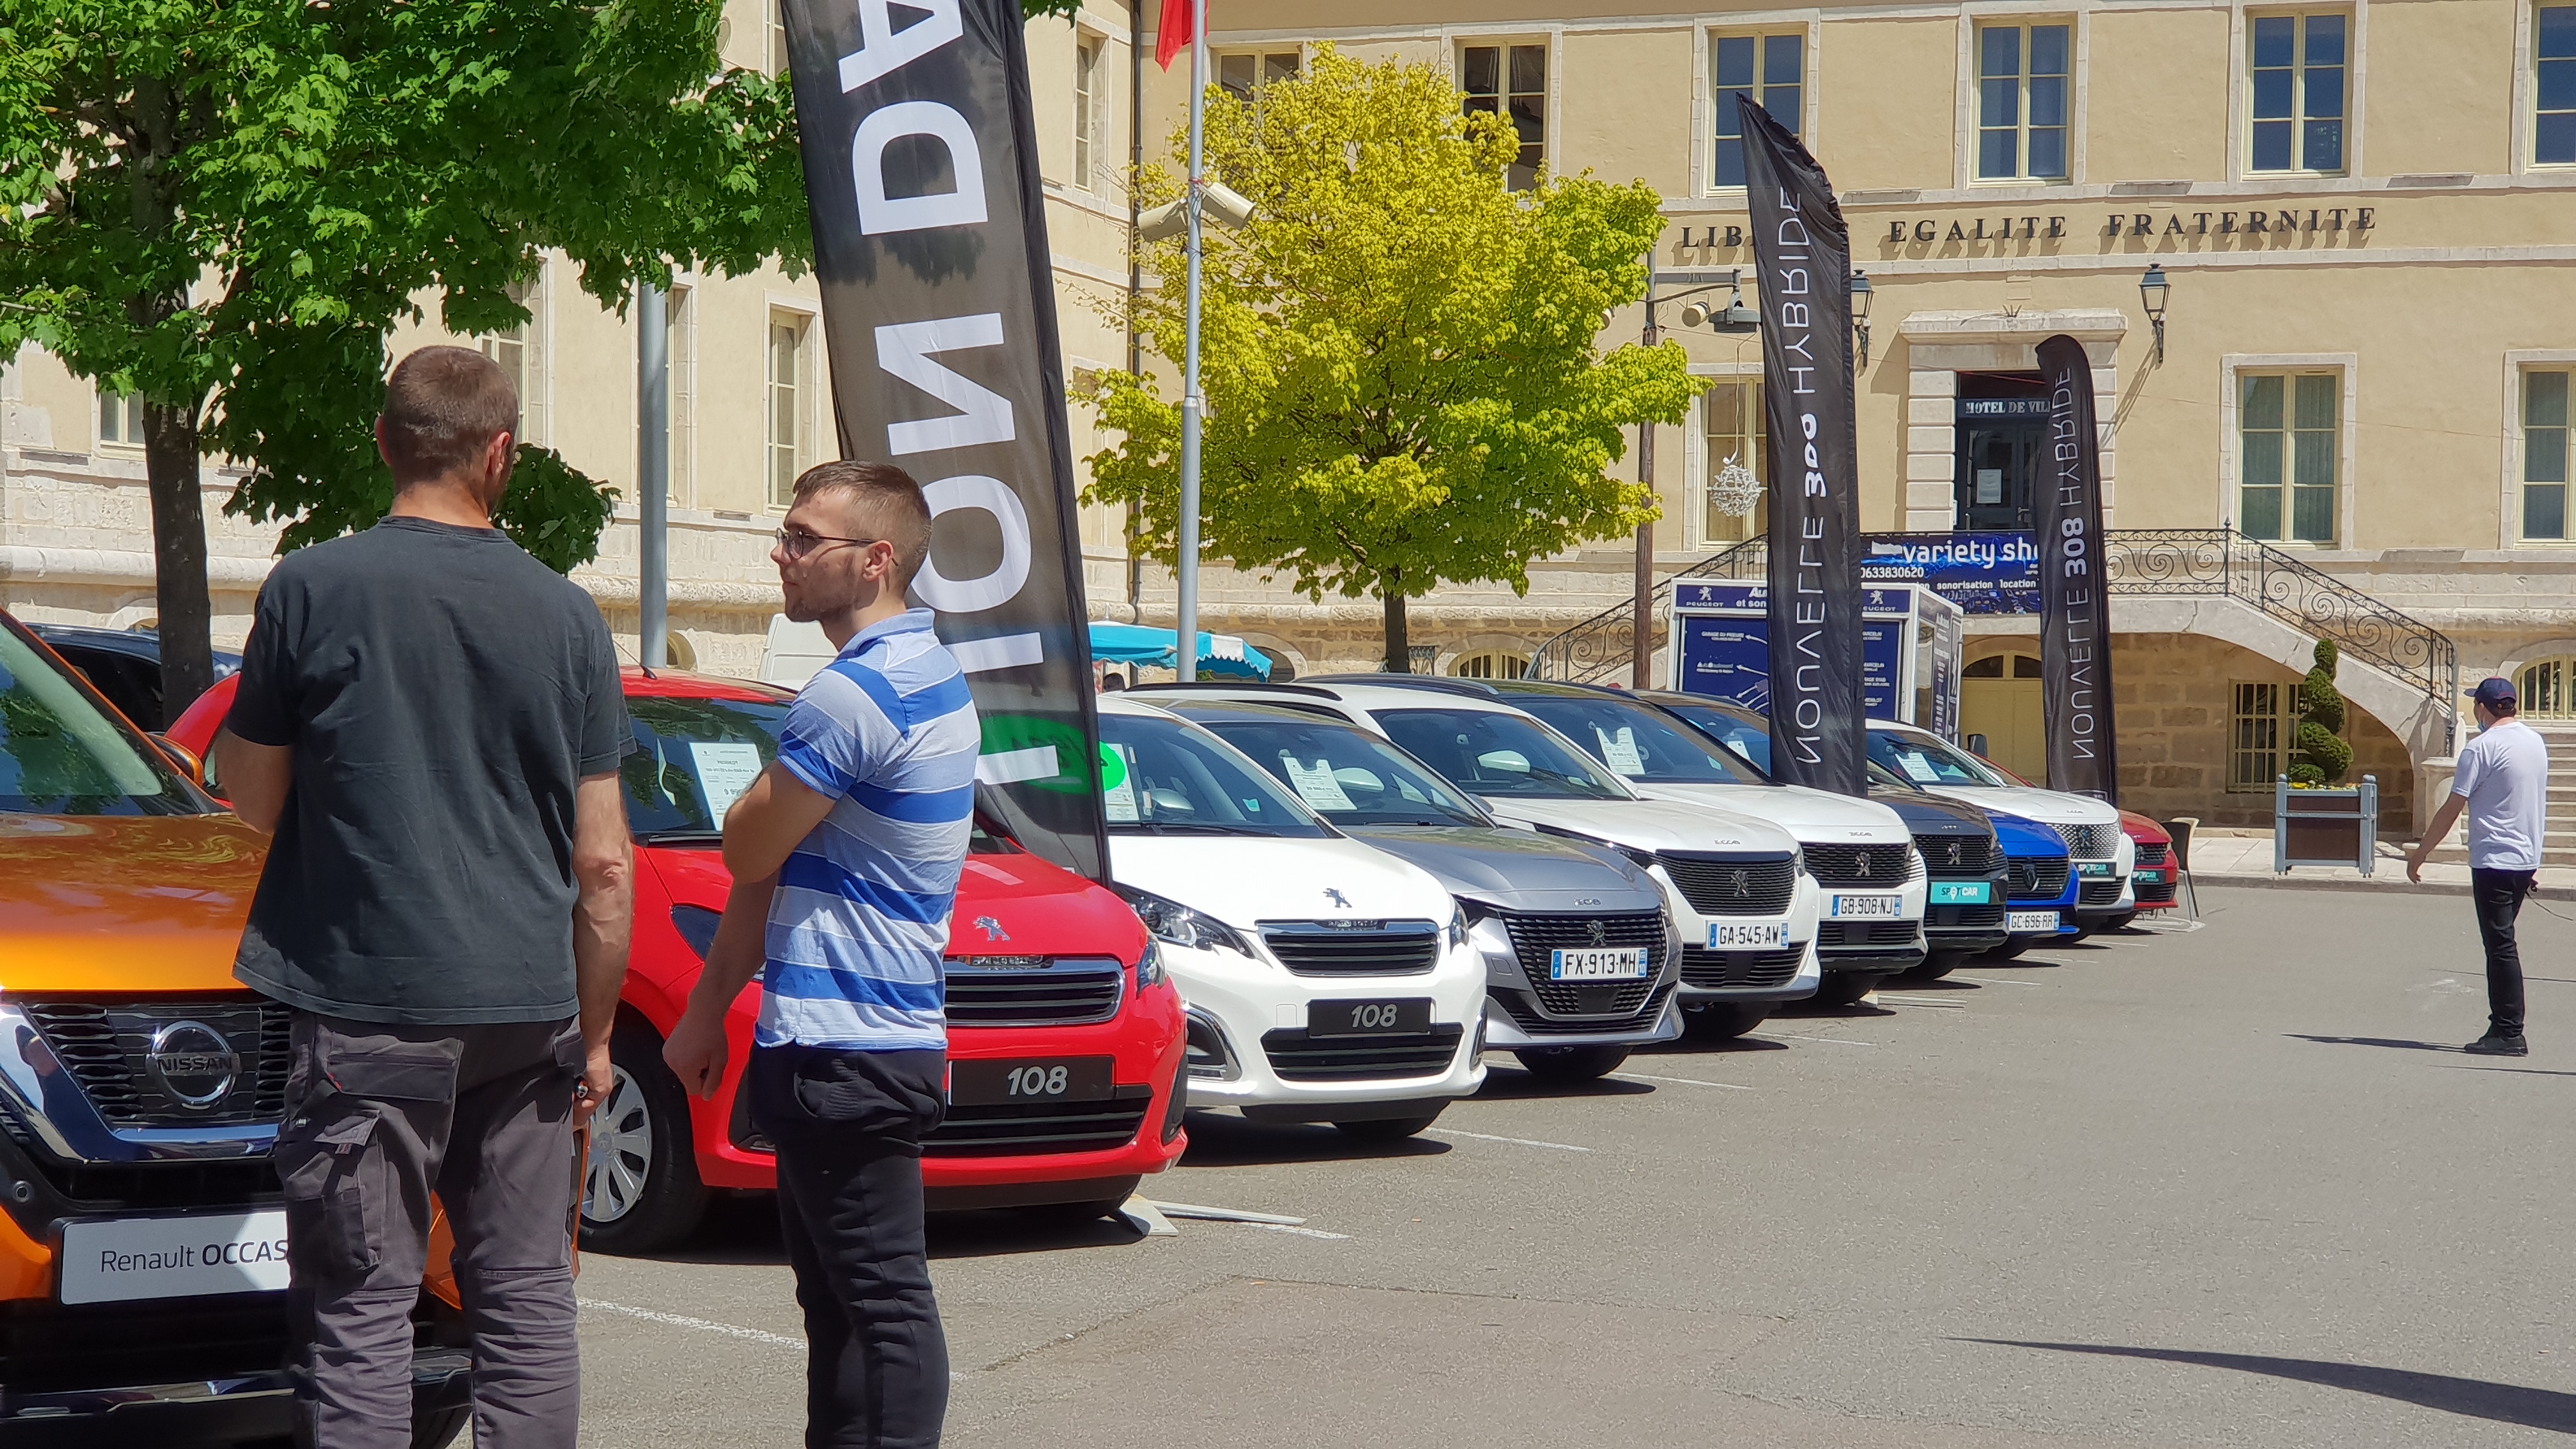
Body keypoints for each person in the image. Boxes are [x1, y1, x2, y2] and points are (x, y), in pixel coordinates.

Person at [214, 345, 636, 1446]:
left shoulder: (311, 585)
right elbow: (604, 863)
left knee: (362, 1313)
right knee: (529, 1300)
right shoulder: (569, 616)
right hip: (529, 1008)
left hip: (369, 1003)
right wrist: (594, 1036)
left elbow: (245, 800)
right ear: (501, 453)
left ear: (383, 442)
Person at [663, 460, 976, 1449]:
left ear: (876, 560)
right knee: (841, 1307)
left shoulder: (854, 695)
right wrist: (710, 1011)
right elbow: (772, 873)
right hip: (848, 1038)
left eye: (806, 539)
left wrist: (709, 1009)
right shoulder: (925, 672)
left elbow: (747, 848)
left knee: (878, 1305)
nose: (781, 555)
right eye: (787, 534)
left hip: (849, 1044)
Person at [2407, 675, 2549, 1055]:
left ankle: (2509, 1031)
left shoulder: (2481, 748)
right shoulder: (2534, 743)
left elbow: (2453, 806)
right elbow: (2533, 802)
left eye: (2476, 705)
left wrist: (2421, 853)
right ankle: (2500, 1023)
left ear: (2483, 708)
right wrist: (2533, 859)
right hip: (2522, 858)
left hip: (2494, 860)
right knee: (2501, 942)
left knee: (2500, 945)